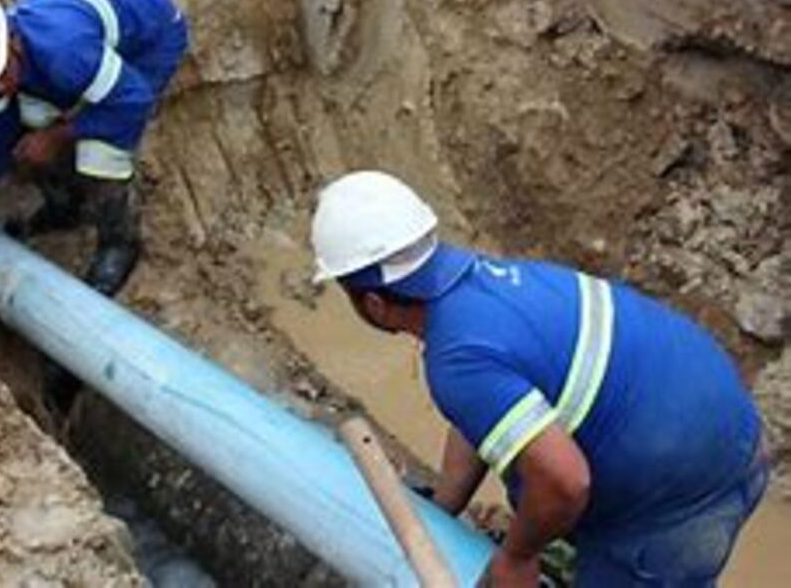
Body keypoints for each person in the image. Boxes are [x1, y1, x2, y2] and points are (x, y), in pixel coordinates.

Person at [310, 170, 768, 587]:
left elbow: (566, 481)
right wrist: (441, 510)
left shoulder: (457, 357)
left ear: (372, 303)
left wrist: (516, 556)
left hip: (674, 509)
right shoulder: (493, 284)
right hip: (730, 436)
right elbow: (485, 415)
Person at [0, 0, 187, 295]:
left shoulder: (65, 52)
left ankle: (119, 242)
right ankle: (68, 207)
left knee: (100, 154)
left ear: (12, 41)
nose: (1, 88)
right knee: (31, 123)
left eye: (2, 74)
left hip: (151, 36)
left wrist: (58, 135)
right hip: (96, 20)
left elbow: (133, 100)